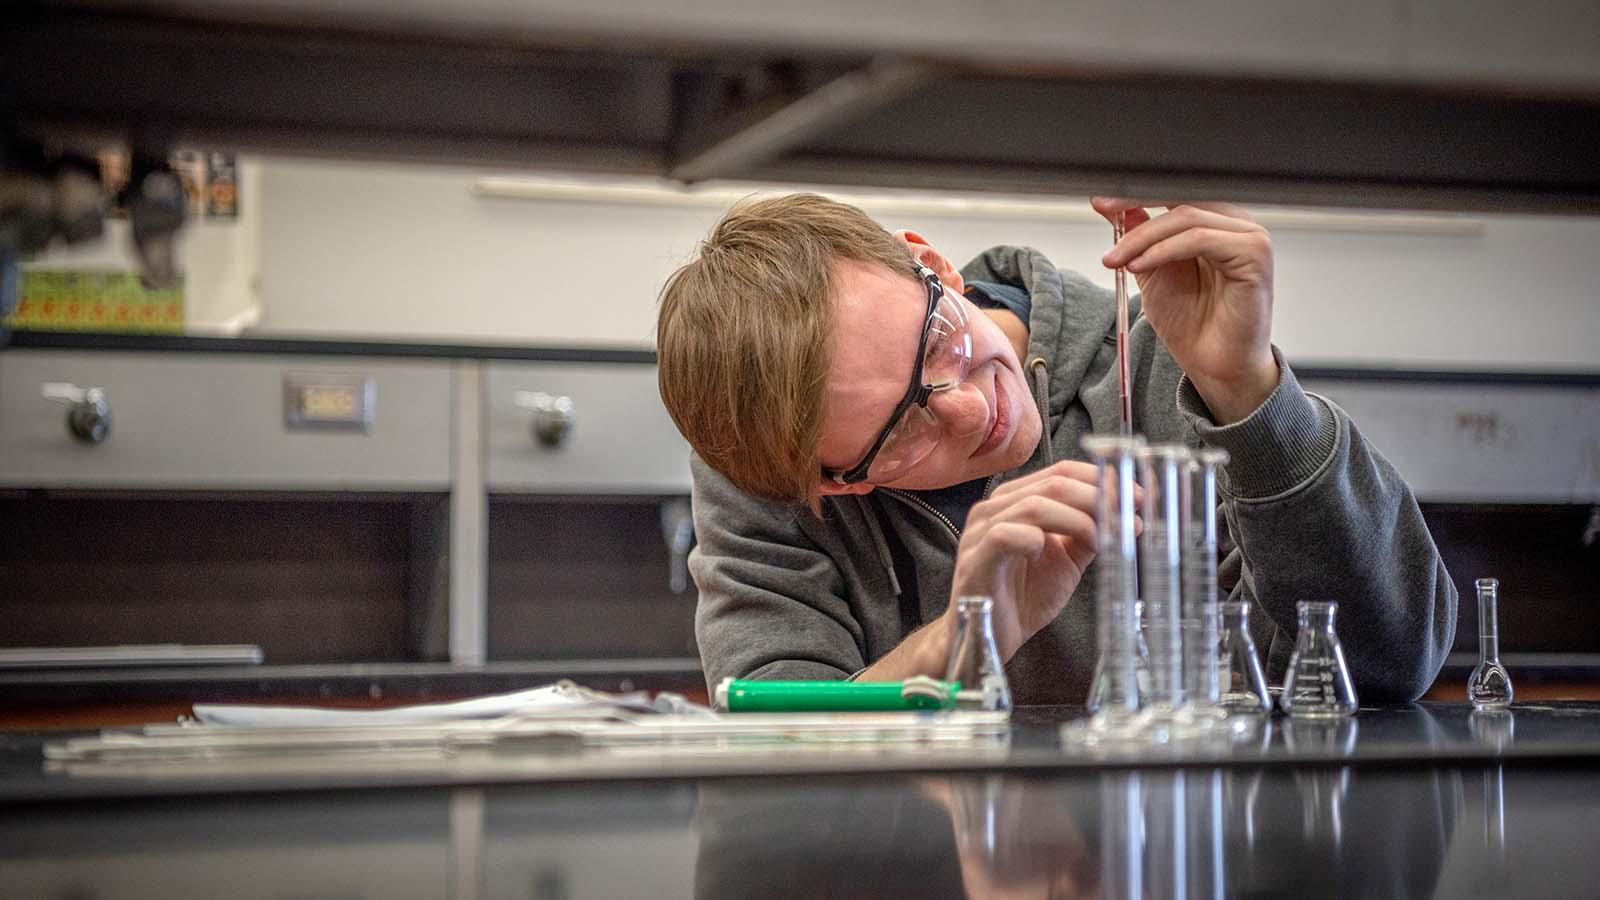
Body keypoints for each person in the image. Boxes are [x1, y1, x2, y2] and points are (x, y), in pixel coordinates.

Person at [656, 193, 1456, 705]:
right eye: (901, 429)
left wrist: (1250, 393)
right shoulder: (767, 462)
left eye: (935, 340)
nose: (973, 411)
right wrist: (968, 637)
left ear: (933, 266)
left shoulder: (1163, 357)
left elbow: (1391, 663)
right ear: (834, 485)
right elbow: (770, 731)